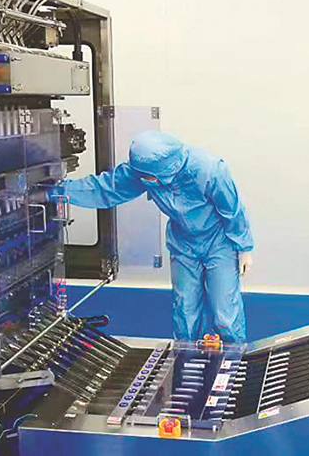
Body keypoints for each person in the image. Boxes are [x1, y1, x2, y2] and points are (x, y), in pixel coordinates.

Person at [50, 130, 253, 343]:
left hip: (219, 241)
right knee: (185, 309)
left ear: (167, 170)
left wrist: (244, 247)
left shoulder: (208, 170)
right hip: (183, 242)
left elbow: (232, 209)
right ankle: (186, 356)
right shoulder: (144, 171)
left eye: (149, 177)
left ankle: (234, 358)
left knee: (224, 311)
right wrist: (57, 191)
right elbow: (104, 189)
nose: (145, 181)